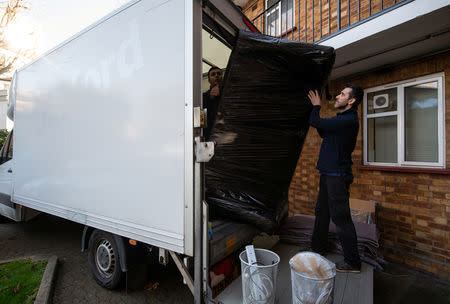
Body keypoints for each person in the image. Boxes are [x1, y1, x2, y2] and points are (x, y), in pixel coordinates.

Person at [307, 84, 364, 273]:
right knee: (322, 211)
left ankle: (353, 262)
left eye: (342, 94)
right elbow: (324, 130)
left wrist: (316, 106)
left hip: (337, 176)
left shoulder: (348, 119)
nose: (338, 96)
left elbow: (317, 122)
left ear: (351, 100)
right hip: (327, 173)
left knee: (341, 218)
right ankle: (318, 247)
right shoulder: (341, 119)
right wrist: (321, 122)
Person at [203, 66, 222, 139]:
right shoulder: (203, 97)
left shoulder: (229, 94)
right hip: (210, 137)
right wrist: (210, 97)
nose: (216, 75)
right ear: (209, 80)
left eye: (218, 74)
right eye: (213, 74)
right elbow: (202, 119)